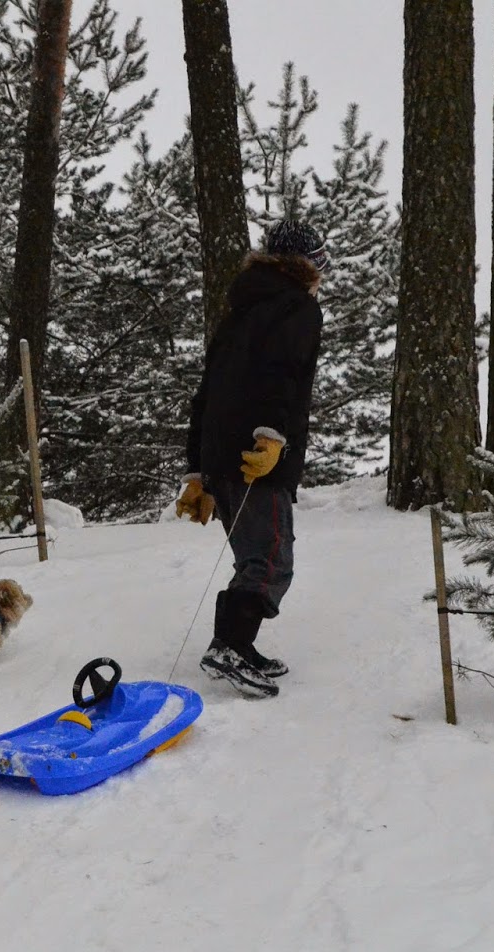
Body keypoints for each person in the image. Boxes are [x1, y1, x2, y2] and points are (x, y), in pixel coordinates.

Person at [176, 219, 328, 699]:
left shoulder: (239, 312)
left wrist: (199, 472)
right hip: (257, 457)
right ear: (307, 265)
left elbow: (207, 394)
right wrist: (271, 437)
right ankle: (230, 647)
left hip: (222, 456)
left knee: (253, 557)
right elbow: (281, 375)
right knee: (272, 559)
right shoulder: (297, 307)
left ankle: (236, 644)